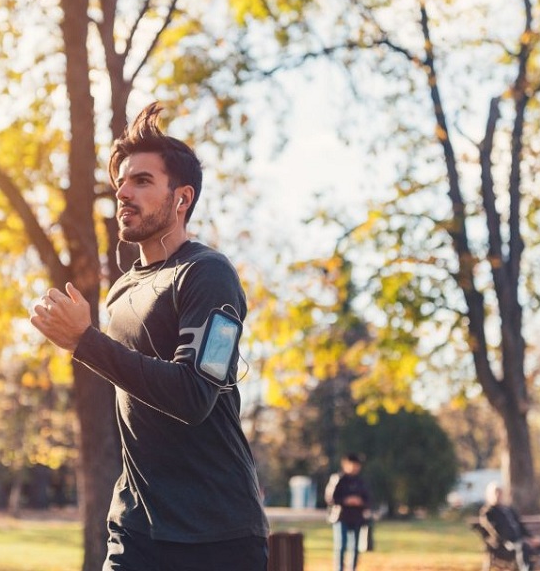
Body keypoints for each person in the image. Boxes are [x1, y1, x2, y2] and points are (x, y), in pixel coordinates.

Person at [30, 102, 269, 570]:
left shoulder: (207, 275)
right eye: (121, 181)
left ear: (181, 199)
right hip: (136, 528)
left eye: (142, 181)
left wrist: (85, 342)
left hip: (215, 536)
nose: (123, 192)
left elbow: (194, 395)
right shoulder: (122, 289)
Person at [479, 482, 540, 571]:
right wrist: (522, 540)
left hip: (521, 541)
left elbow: (521, 526)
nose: (498, 495)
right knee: (523, 546)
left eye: (500, 493)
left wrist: (531, 538)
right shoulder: (488, 512)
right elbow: (498, 533)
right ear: (489, 495)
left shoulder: (508, 509)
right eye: (496, 493)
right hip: (504, 544)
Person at [325, 453, 371, 571]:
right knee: (341, 546)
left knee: (355, 547)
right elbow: (330, 498)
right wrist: (346, 501)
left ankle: (353, 568)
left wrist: (359, 502)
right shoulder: (338, 479)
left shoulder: (361, 481)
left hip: (357, 517)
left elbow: (368, 499)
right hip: (341, 517)